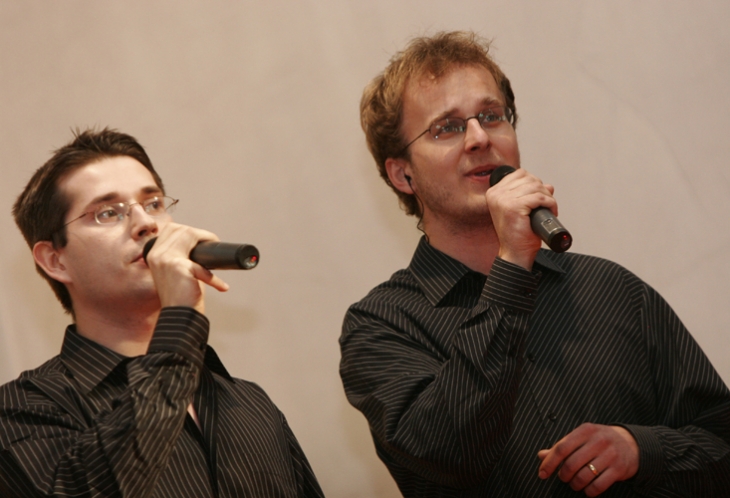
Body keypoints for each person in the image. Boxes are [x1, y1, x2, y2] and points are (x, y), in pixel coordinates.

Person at [339, 31, 730, 497]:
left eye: (492, 116)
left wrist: (642, 450)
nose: (480, 138)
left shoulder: (613, 290)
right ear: (403, 174)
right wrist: (511, 265)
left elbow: (721, 440)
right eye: (447, 127)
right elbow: (449, 453)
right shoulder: (380, 326)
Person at [0, 128, 324, 497]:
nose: (146, 224)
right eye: (108, 213)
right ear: (55, 260)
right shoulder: (22, 409)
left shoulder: (251, 403)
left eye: (153, 203)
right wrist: (180, 318)